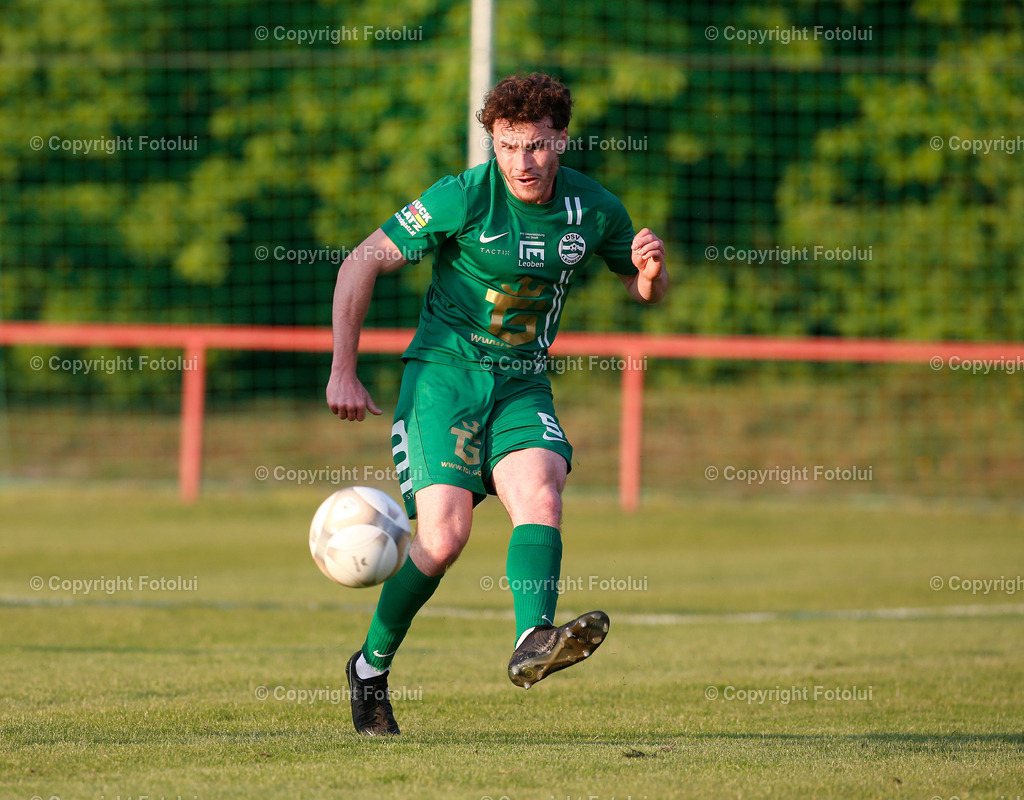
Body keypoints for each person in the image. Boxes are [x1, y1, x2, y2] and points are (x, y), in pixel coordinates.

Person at [326, 72, 668, 735]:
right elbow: (361, 261)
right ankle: (370, 667)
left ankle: (532, 638)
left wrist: (652, 275)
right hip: (444, 379)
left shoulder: (593, 210)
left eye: (537, 146)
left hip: (521, 383)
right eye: (509, 146)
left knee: (543, 486)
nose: (523, 162)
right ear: (493, 140)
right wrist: (344, 368)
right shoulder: (462, 198)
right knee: (445, 537)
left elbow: (641, 287)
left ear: (561, 141)